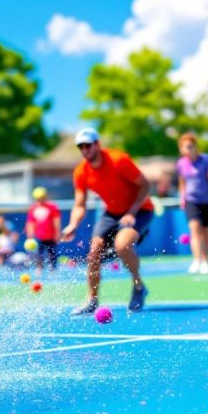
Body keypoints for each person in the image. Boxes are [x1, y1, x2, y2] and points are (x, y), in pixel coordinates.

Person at [61, 127, 154, 314]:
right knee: (94, 251)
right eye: (81, 147)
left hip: (140, 210)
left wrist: (131, 212)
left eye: (88, 145)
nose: (85, 150)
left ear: (97, 144)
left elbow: (145, 185)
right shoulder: (81, 172)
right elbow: (80, 204)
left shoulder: (118, 160)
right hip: (111, 214)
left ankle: (138, 287)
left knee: (122, 245)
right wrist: (72, 224)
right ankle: (92, 300)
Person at [176, 133, 208, 275]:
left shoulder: (206, 160)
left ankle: (206, 261)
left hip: (206, 200)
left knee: (205, 232)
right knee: (194, 229)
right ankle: (197, 260)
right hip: (191, 201)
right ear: (181, 149)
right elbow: (182, 183)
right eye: (185, 147)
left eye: (190, 146)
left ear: (195, 146)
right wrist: (182, 198)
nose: (188, 149)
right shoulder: (181, 163)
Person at [26, 186, 61, 274]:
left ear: (45, 197)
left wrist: (57, 233)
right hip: (39, 237)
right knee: (38, 253)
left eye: (42, 198)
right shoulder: (33, 209)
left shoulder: (52, 207)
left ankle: (53, 268)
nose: (40, 200)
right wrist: (30, 234)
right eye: (38, 198)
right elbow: (30, 222)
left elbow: (56, 221)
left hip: (50, 236)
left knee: (52, 253)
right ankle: (39, 267)